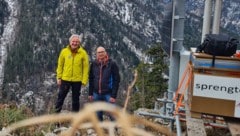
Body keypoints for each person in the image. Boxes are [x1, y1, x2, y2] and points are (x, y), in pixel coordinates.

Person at [55, 34, 89, 113]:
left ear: (79, 43)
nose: (75, 43)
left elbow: (86, 67)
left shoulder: (83, 53)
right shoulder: (64, 52)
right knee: (60, 99)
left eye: (77, 42)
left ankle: (75, 120)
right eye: (73, 41)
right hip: (65, 79)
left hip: (77, 80)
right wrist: (59, 77)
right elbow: (60, 65)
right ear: (70, 42)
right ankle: (55, 120)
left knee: (75, 101)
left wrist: (84, 80)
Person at [88, 46, 120, 121]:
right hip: (96, 93)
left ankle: (114, 129)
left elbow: (116, 80)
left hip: (108, 93)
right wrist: (90, 93)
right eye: (99, 52)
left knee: (112, 113)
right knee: (98, 114)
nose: (100, 54)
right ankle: (100, 130)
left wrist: (113, 95)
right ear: (96, 54)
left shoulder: (112, 64)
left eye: (102, 52)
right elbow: (91, 78)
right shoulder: (94, 64)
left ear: (105, 53)